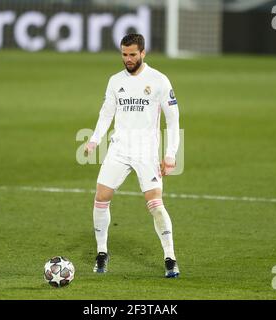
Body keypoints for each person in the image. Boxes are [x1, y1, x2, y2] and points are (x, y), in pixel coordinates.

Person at [84, 34, 180, 278]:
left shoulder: (159, 80)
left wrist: (170, 154)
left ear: (143, 53)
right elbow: (106, 113)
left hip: (146, 152)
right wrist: (95, 139)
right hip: (119, 149)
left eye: (132, 54)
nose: (128, 59)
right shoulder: (115, 81)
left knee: (156, 206)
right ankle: (102, 252)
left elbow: (172, 119)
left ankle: (170, 257)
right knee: (101, 197)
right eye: (124, 54)